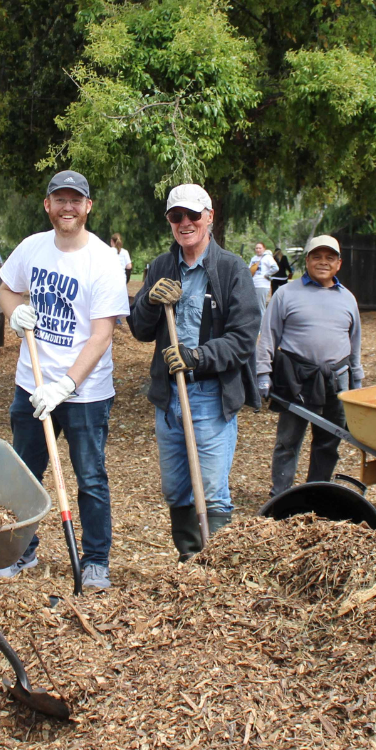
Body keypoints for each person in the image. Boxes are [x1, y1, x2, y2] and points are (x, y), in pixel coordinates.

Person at [0, 170, 129, 590]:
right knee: (26, 473)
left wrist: (66, 385)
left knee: (90, 478)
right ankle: (21, 550)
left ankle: (96, 561)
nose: (67, 207)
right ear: (47, 205)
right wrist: (14, 311)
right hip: (31, 384)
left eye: (76, 200)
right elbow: (6, 289)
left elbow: (102, 333)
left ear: (88, 207)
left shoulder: (103, 260)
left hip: (84, 393)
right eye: (59, 199)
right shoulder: (32, 247)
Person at [129, 184, 261, 561]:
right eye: (176, 216)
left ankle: (215, 571)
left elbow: (243, 339)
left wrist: (197, 356)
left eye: (192, 215)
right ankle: (189, 562)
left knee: (212, 491)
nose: (185, 223)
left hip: (209, 395)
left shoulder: (231, 269)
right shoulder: (160, 266)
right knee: (176, 490)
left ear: (209, 217)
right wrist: (152, 301)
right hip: (168, 396)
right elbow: (139, 330)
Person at [256, 235, 363, 497]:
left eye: (329, 258)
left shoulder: (348, 298)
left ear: (339, 263)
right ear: (307, 261)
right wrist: (263, 375)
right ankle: (280, 495)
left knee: (329, 441)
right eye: (317, 256)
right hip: (297, 379)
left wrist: (356, 382)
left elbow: (355, 342)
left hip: (337, 380)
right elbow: (268, 336)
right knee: (288, 441)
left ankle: (317, 494)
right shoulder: (286, 293)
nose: (323, 262)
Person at [248, 242, 278, 313]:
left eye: (260, 248)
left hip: (262, 284)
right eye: (256, 248)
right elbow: (249, 270)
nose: (258, 250)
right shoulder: (254, 258)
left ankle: (262, 323)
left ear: (264, 249)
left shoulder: (267, 257)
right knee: (253, 305)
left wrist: (267, 275)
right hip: (253, 283)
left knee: (260, 306)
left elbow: (275, 268)